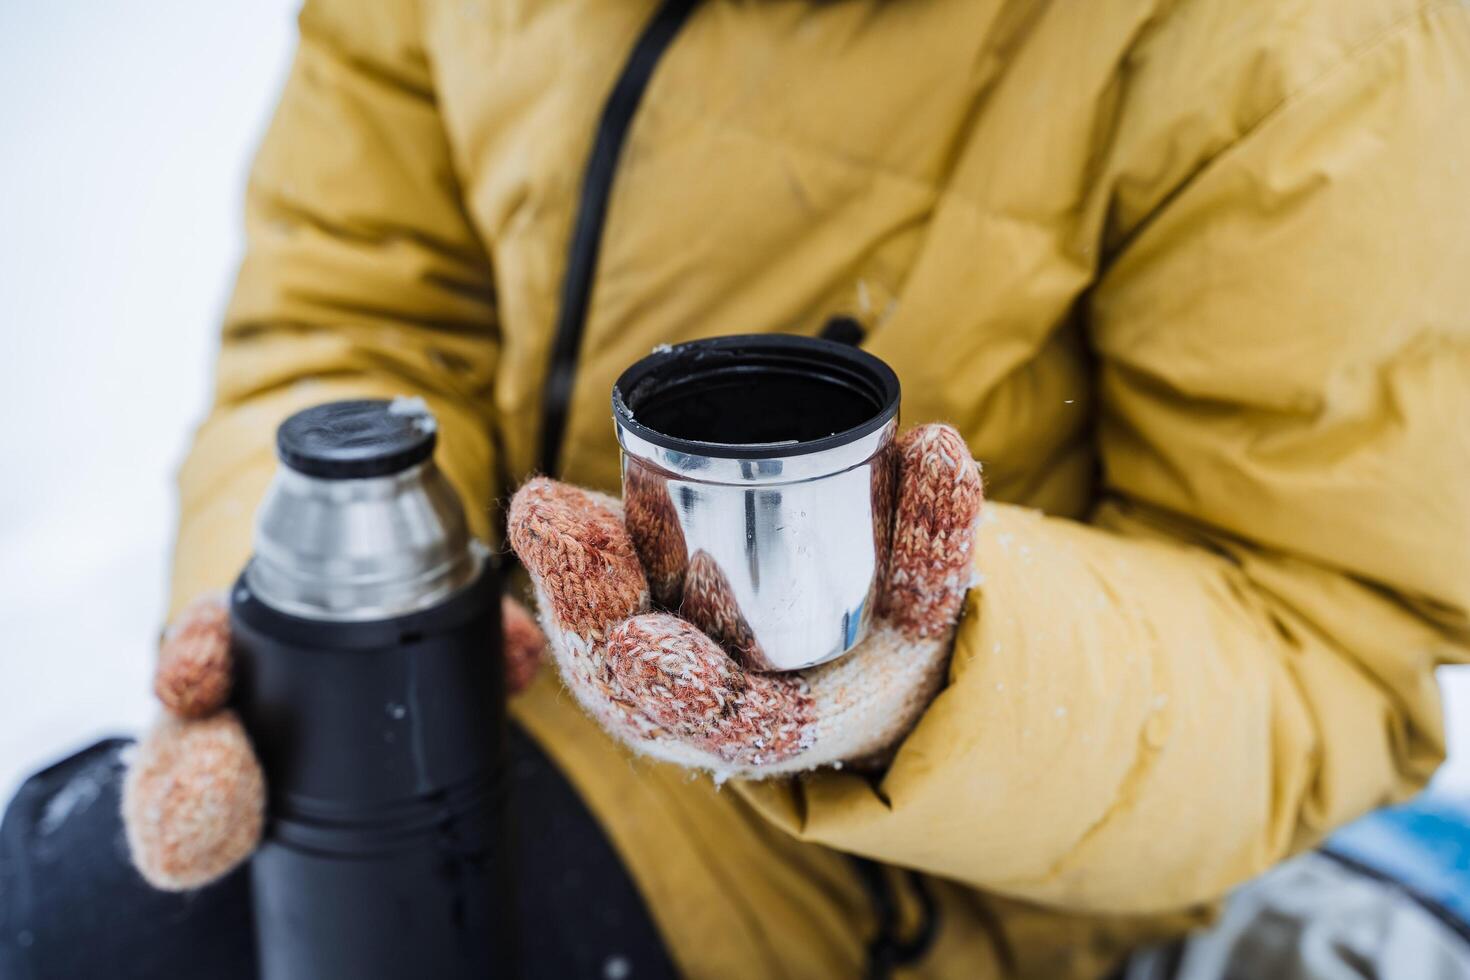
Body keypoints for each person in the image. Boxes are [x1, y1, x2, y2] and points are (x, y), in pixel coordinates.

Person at [4, 0, 1470, 975]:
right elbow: (361, 295)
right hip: (496, 681)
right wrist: (299, 607)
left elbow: (1314, 627)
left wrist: (915, 686)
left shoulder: (1307, 40)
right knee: (63, 910)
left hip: (916, 874)